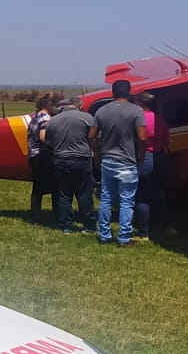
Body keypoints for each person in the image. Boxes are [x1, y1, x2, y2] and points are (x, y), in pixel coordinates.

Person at [95, 79, 147, 246]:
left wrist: (97, 154)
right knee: (126, 201)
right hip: (127, 162)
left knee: (106, 199)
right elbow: (142, 137)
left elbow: (91, 136)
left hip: (107, 160)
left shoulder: (102, 111)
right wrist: (141, 155)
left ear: (113, 92)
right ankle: (124, 238)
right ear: (129, 92)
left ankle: (104, 235)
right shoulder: (136, 111)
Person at [41, 97, 96, 233]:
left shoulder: (54, 120)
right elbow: (93, 137)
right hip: (81, 160)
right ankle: (89, 225)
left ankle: (66, 226)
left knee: (64, 195)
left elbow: (47, 141)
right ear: (79, 106)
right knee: (84, 194)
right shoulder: (87, 118)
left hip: (61, 160)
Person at [134, 93, 164, 236]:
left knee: (142, 196)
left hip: (145, 157)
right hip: (159, 158)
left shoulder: (139, 120)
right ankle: (160, 223)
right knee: (157, 193)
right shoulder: (161, 120)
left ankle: (143, 230)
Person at [26, 96, 53, 223]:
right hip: (42, 156)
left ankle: (36, 215)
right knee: (54, 186)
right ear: (48, 105)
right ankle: (57, 214)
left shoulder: (35, 118)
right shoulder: (46, 119)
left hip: (33, 155)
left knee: (37, 187)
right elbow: (43, 137)